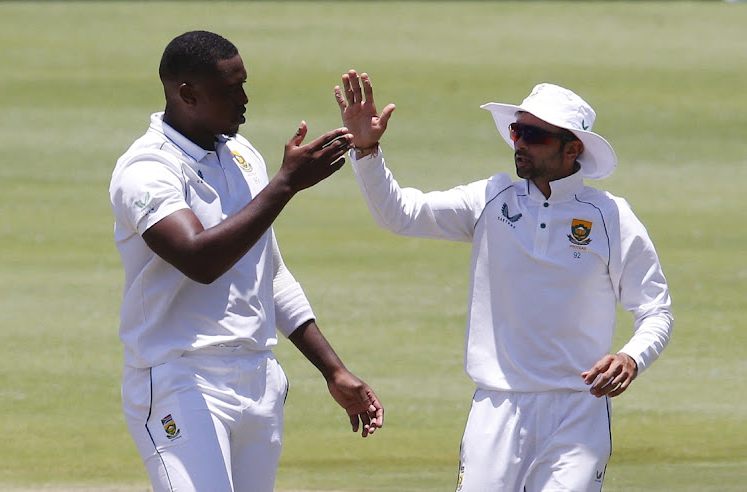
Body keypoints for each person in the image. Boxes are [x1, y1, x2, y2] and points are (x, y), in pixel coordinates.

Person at [334, 70, 672, 491]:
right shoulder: (491, 199)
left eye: (535, 135)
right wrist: (367, 150)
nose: (521, 144)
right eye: (517, 131)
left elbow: (656, 309)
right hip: (497, 406)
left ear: (573, 149)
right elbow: (401, 214)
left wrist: (632, 357)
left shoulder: (612, 217)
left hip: (578, 412)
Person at [109, 32, 383, 492]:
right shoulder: (146, 170)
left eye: (244, 84)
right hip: (181, 378)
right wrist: (286, 185)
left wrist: (332, 369)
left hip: (258, 379)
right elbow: (199, 259)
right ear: (187, 94)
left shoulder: (242, 155)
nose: (244, 99)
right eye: (230, 90)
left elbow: (267, 273)